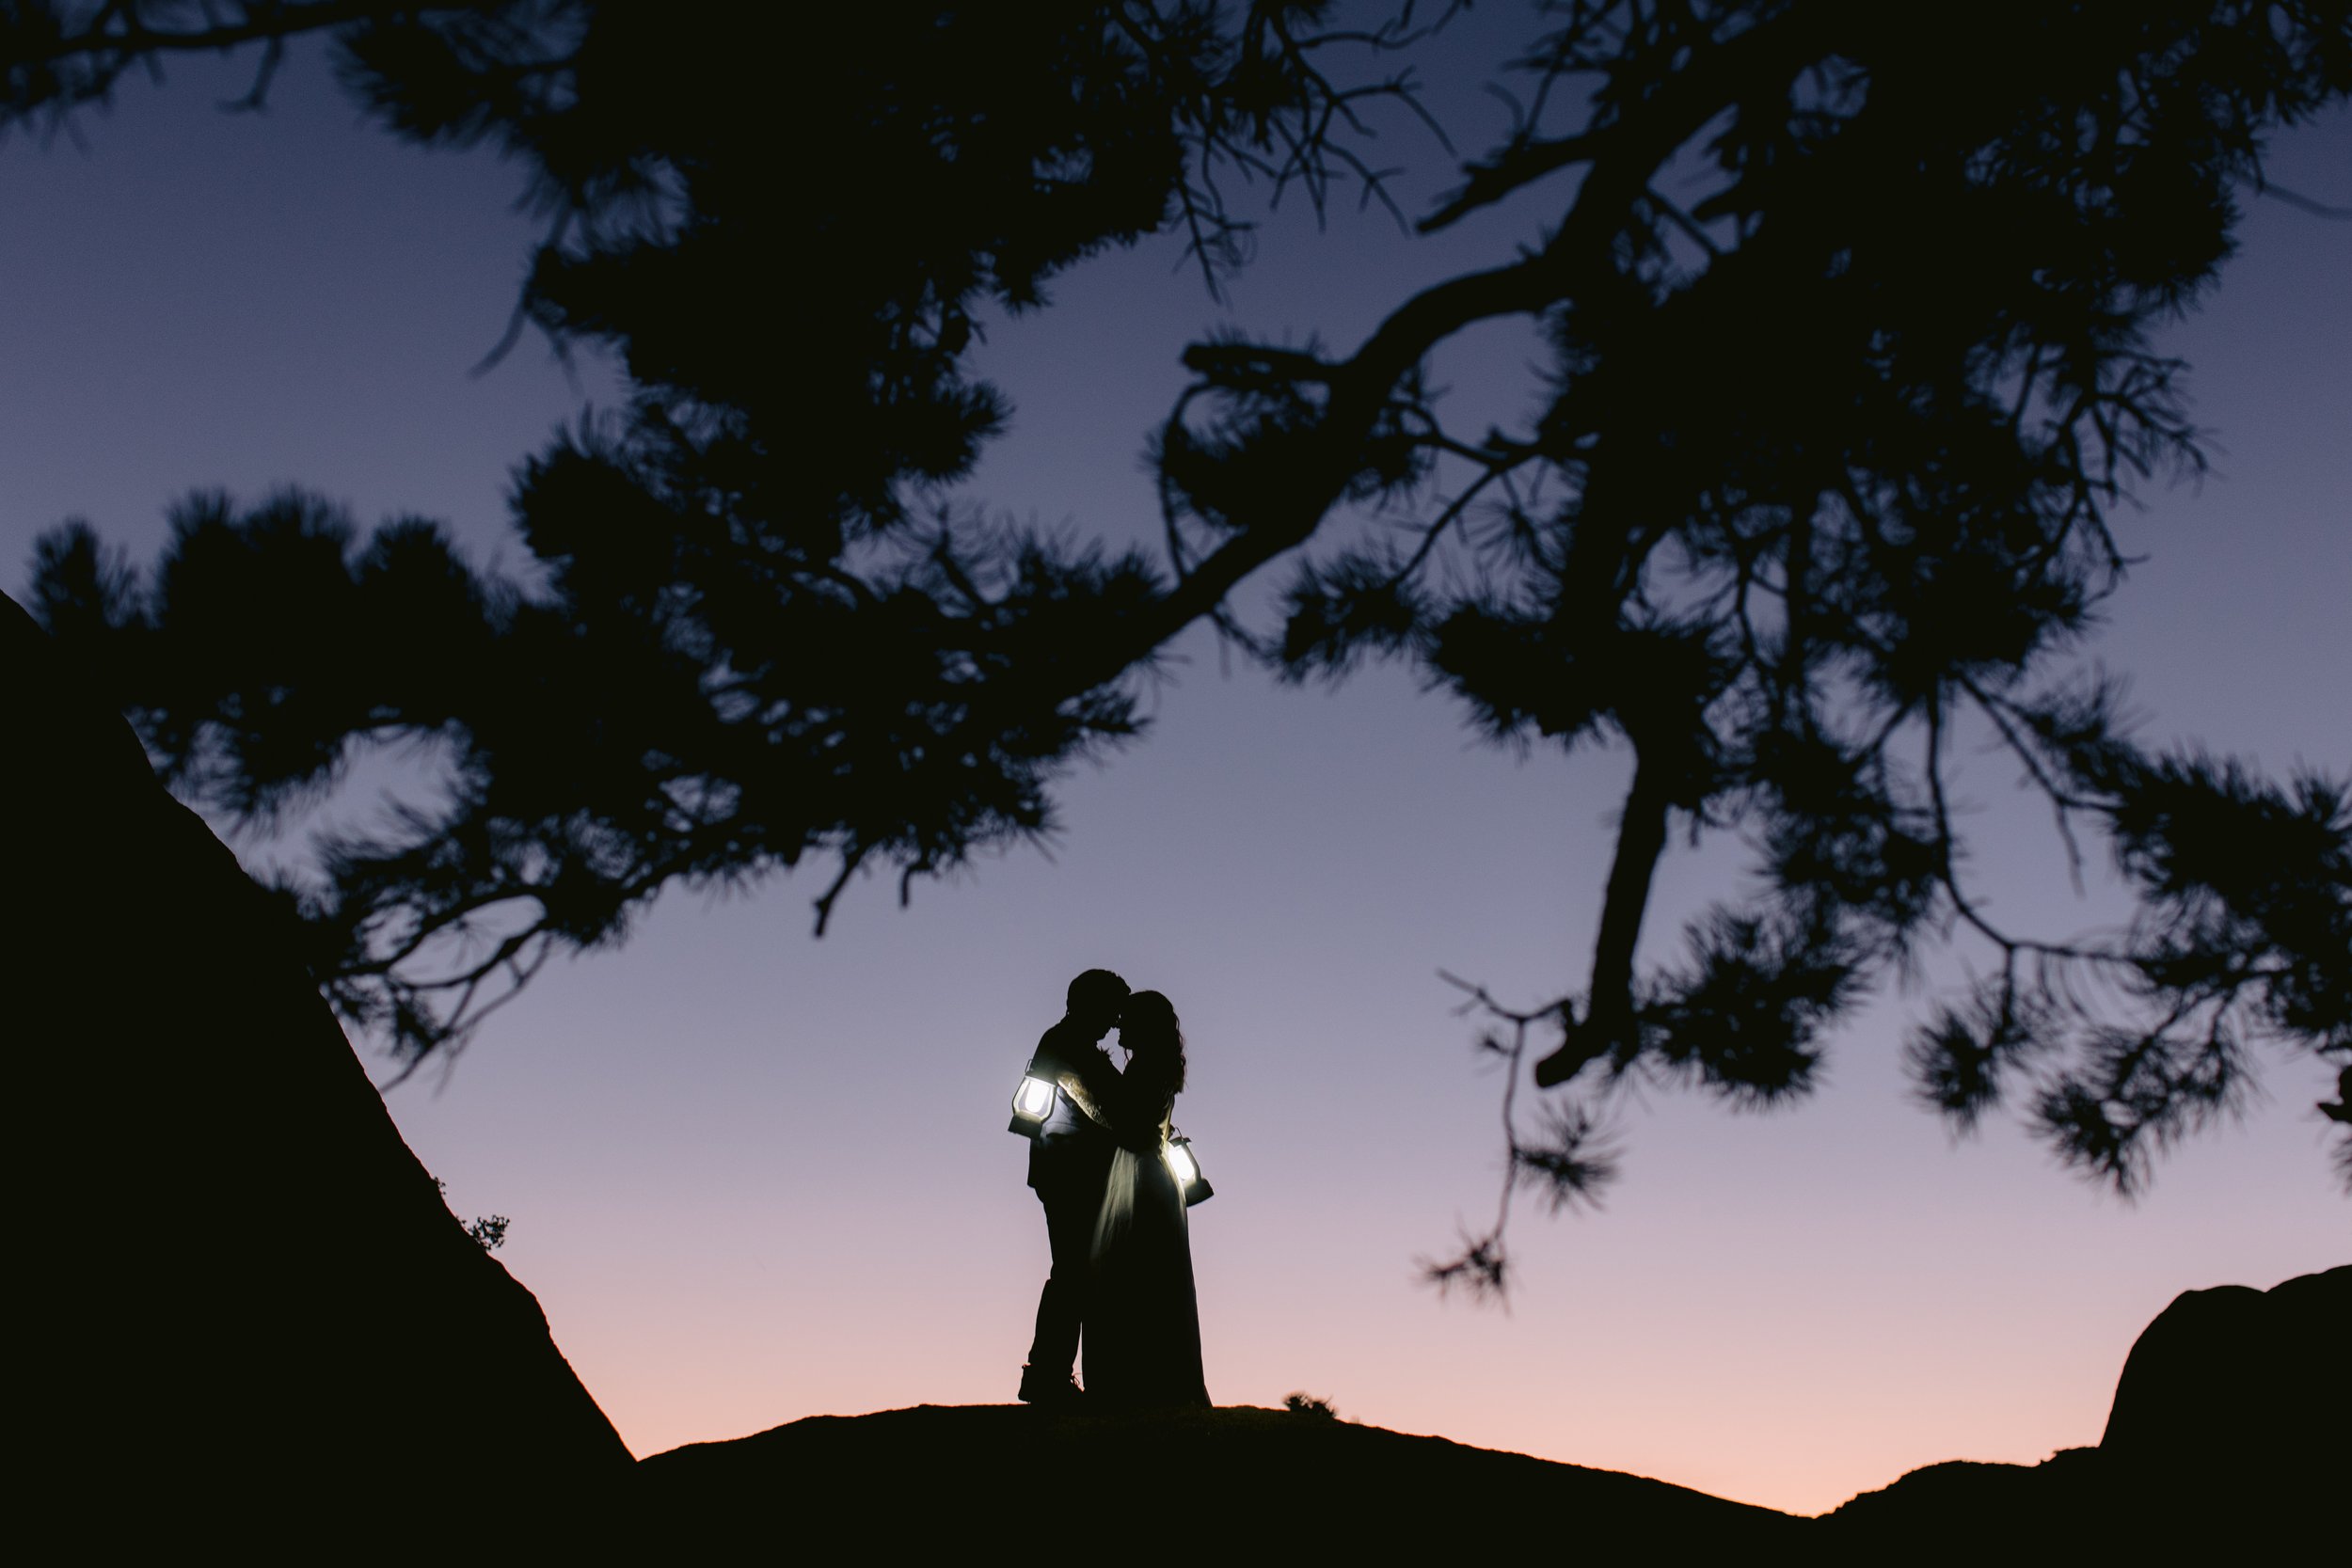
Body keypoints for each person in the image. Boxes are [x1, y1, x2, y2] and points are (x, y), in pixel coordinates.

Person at [1083, 990, 1210, 1408]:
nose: (1118, 1026)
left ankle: (1135, 1387)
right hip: (1141, 1174)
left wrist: (1092, 1075)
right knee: (1140, 1277)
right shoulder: (1151, 1065)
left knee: (1135, 1277)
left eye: (1126, 1020)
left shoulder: (1147, 1067)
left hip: (1142, 1178)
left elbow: (1129, 1125)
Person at [1019, 968, 1129, 1405]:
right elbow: (1098, 1108)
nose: (1113, 1022)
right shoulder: (1064, 1045)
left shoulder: (1074, 1044)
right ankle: (1047, 1374)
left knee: (1079, 1272)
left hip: (1075, 1172)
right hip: (1068, 1173)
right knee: (1072, 1272)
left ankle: (1054, 1373)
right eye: (1110, 1010)